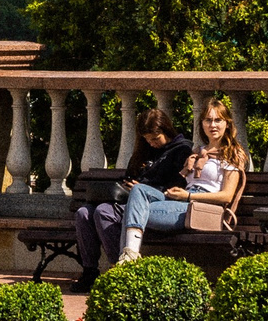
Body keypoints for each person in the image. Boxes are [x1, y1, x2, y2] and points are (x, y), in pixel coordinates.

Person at [71, 109, 186, 289]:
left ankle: (120, 270)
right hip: (127, 200)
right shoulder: (143, 151)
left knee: (104, 212)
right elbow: (129, 176)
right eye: (147, 139)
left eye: (155, 139)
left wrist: (142, 189)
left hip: (154, 203)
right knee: (83, 213)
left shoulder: (181, 150)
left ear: (167, 130)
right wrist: (125, 187)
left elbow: (178, 187)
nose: (152, 143)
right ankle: (90, 271)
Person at [122, 98, 247, 260]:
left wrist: (188, 196)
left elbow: (226, 196)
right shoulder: (197, 151)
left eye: (218, 120)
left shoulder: (232, 153)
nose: (213, 125)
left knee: (131, 212)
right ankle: (128, 256)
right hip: (181, 202)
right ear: (201, 124)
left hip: (202, 207)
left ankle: (127, 261)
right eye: (208, 120)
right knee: (139, 191)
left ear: (227, 124)